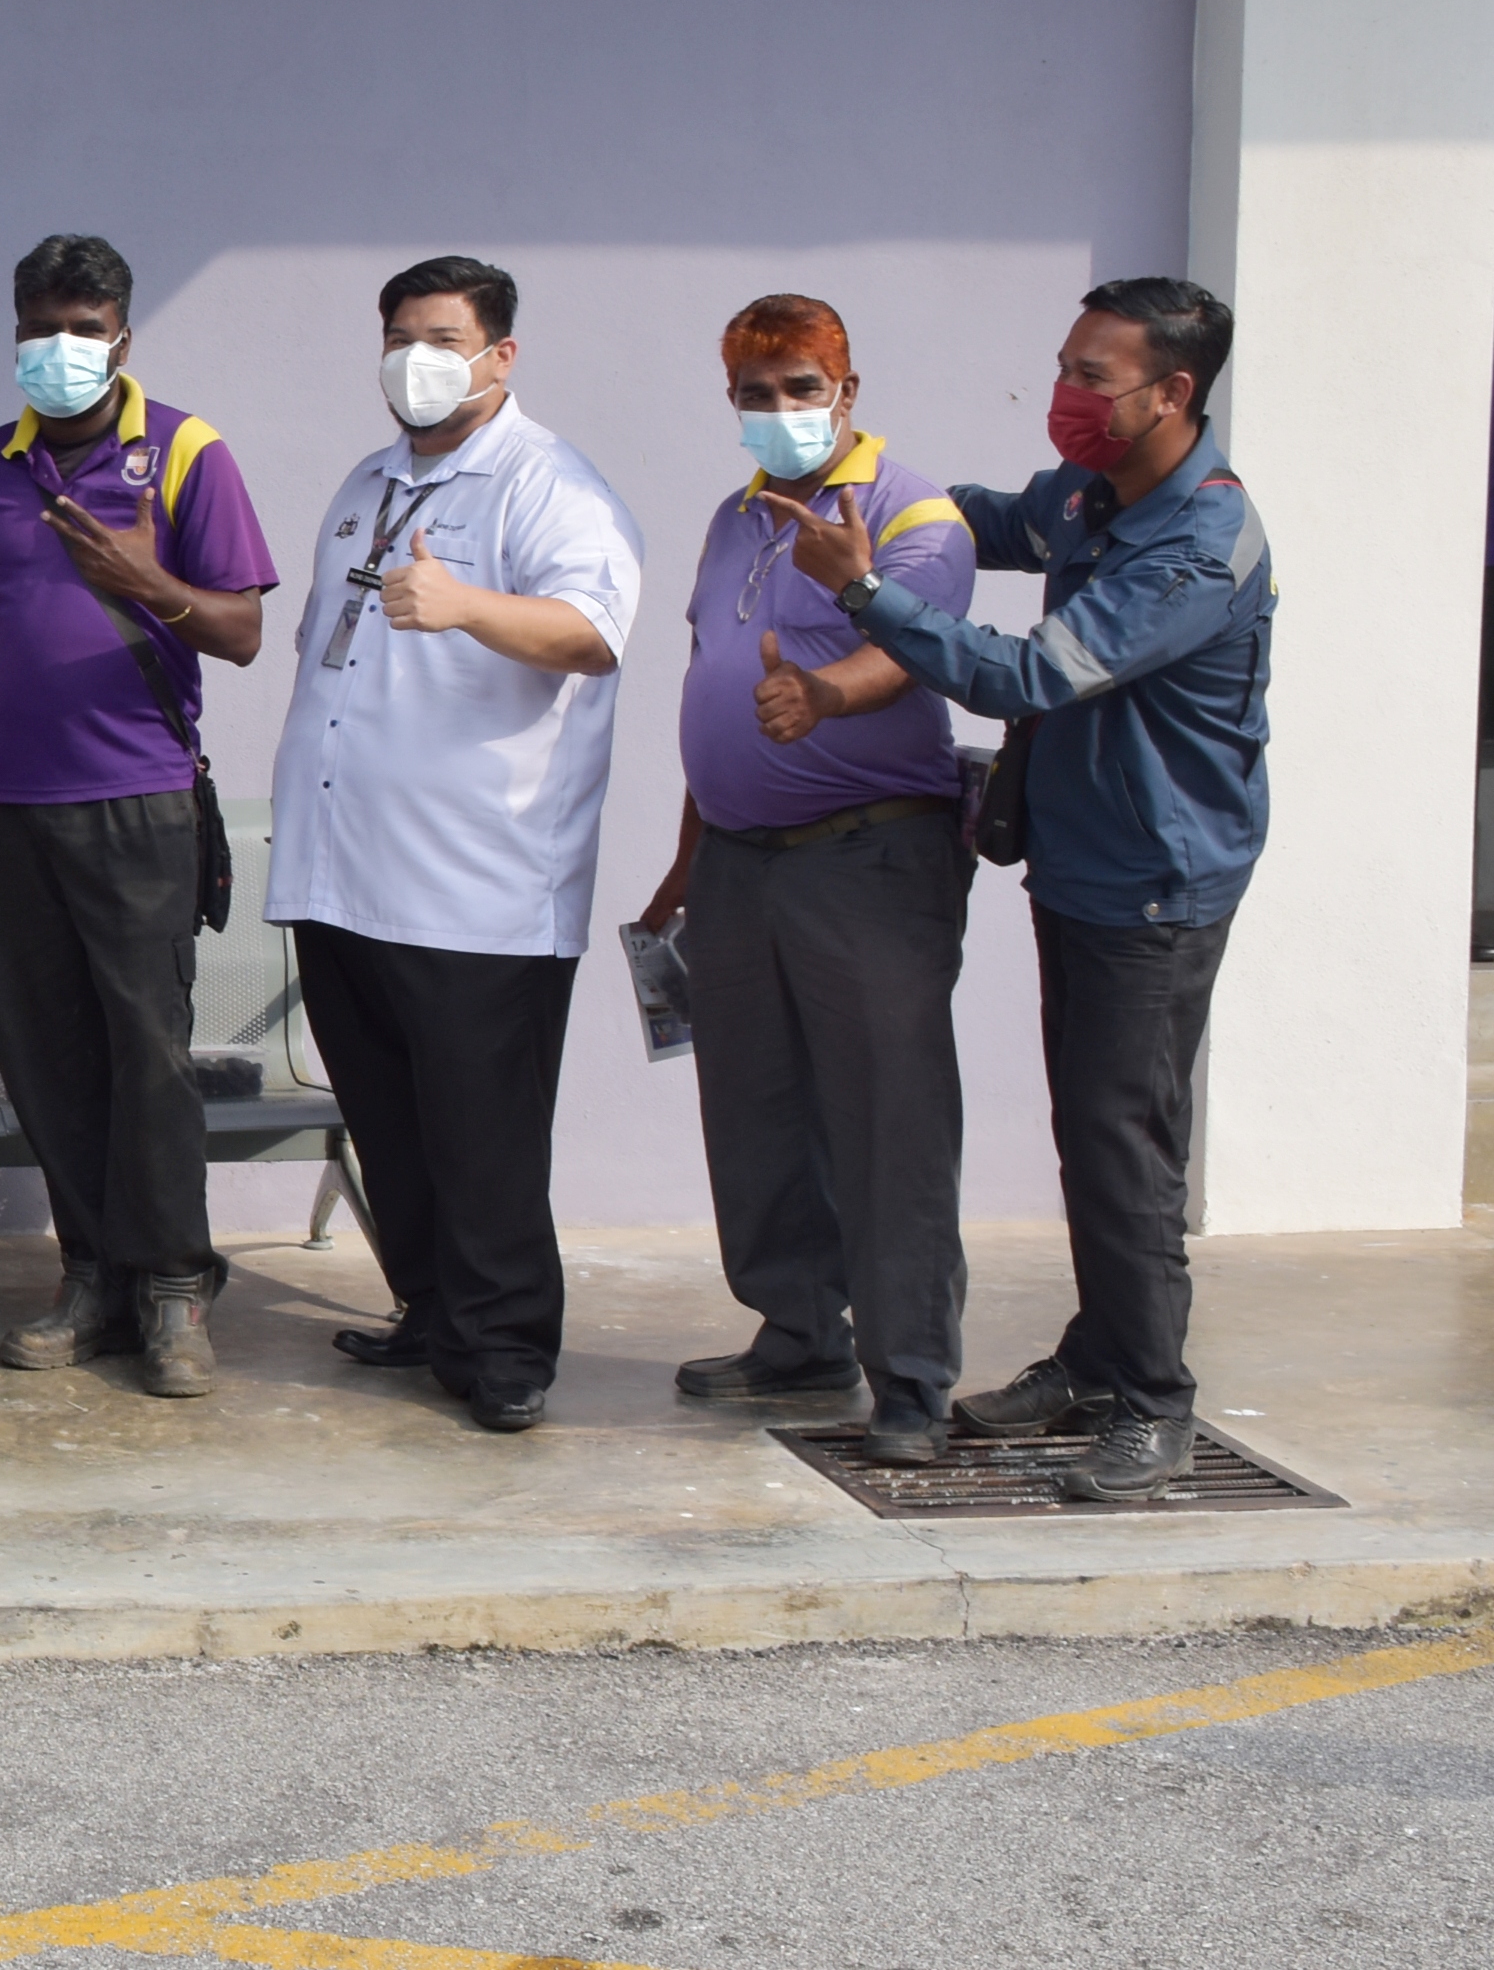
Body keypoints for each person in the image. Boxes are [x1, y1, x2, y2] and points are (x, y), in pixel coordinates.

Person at [769, 276, 1269, 1502]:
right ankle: (1098, 1355)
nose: (1062, 394)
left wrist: (861, 590)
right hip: (1081, 865)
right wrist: (865, 483)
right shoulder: (1095, 495)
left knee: (1123, 1146)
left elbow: (1028, 674)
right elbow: (978, 520)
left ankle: (1151, 1402)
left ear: (1172, 392)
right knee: (1090, 1133)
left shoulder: (1195, 548)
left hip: (1152, 888)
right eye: (1061, 366)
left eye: (1090, 377)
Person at [265, 256, 645, 1433]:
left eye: (440, 339)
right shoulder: (367, 480)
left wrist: (466, 605)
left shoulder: (547, 483)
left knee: (483, 1137)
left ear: (499, 355)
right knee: (391, 1121)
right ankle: (430, 1310)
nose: (413, 361)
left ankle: (506, 1346)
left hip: (475, 884)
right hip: (344, 873)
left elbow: (591, 630)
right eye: (397, 338)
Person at [0, 236, 277, 1398]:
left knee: (147, 1056)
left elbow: (241, 631)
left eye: (82, 326)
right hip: (11, 811)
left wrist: (147, 584)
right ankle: (91, 1278)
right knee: (43, 1053)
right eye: (39, 325)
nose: (58, 346)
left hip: (138, 805)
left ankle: (172, 1285)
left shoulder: (185, 451)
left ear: (121, 332)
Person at [634, 296, 978, 1463]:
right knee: (754, 1110)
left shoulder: (909, 513)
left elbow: (909, 651)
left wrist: (823, 693)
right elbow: (711, 673)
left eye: (799, 388)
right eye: (754, 392)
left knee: (888, 1120)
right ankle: (796, 1333)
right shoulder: (733, 516)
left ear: (846, 391)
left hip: (865, 857)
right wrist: (685, 858)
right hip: (738, 862)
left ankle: (911, 1378)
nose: (777, 409)